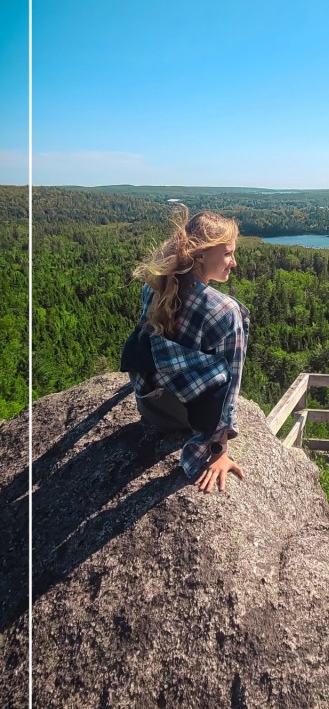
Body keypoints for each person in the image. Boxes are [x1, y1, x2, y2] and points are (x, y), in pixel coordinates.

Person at [121, 207, 250, 494]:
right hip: (184, 419)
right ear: (201, 255)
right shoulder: (226, 312)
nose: (234, 262)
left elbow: (149, 350)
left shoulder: (155, 285)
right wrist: (219, 451)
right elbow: (230, 386)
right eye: (228, 253)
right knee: (219, 373)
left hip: (148, 404)